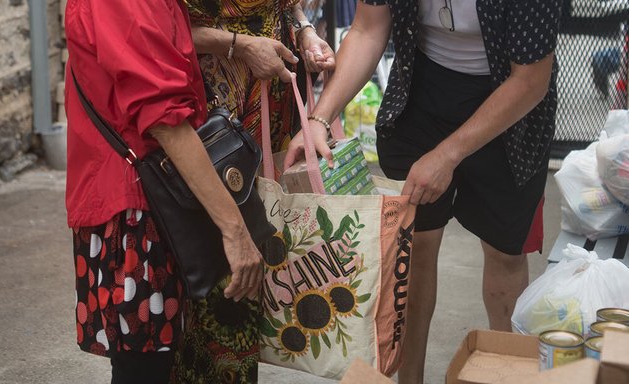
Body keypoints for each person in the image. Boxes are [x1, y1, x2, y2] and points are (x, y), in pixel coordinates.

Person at [284, 1, 562, 383]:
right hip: (422, 89)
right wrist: (320, 117)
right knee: (412, 246)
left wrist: (446, 156)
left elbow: (531, 80)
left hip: (509, 98)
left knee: (504, 250)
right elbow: (367, 28)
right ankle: (408, 377)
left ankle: (507, 370)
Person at [65, 1, 263, 383]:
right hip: (136, 211)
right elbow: (165, 121)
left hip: (141, 202)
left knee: (157, 364)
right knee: (144, 369)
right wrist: (235, 230)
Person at [171, 1, 335, 383]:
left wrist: (305, 29)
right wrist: (237, 44)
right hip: (210, 115)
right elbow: (149, 33)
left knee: (260, 249)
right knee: (215, 268)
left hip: (269, 104)